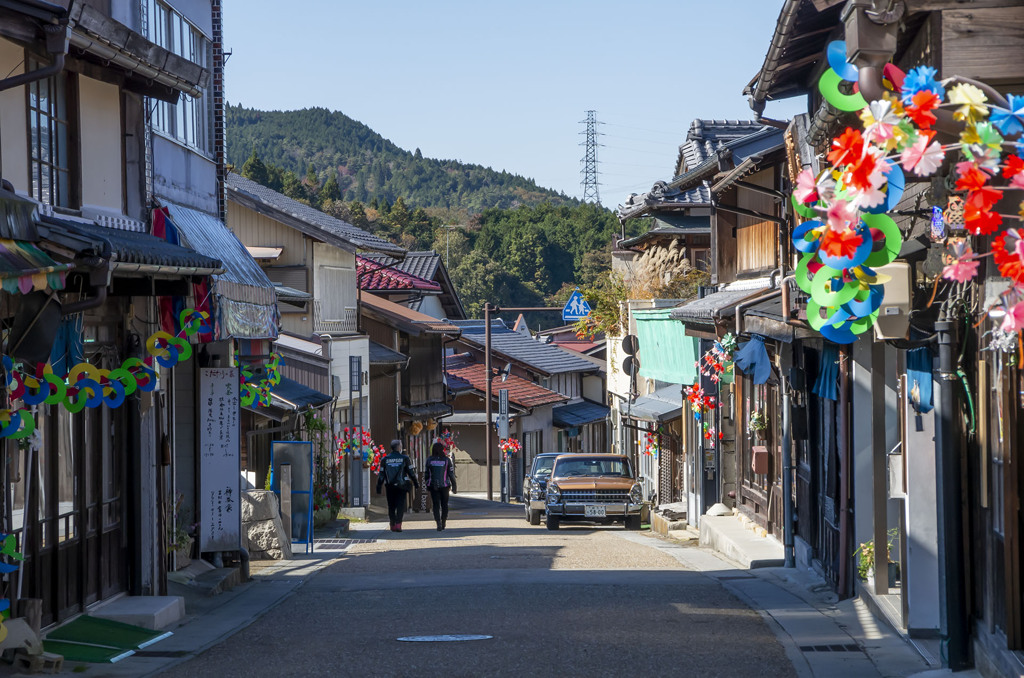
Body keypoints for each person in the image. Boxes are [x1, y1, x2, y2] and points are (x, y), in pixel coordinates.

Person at [375, 439, 418, 532]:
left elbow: (381, 474)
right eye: (401, 445)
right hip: (401, 485)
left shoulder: (385, 459)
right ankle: (398, 524)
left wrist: (379, 486)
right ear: (398, 447)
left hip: (389, 485)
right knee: (400, 505)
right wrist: (416, 483)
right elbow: (411, 472)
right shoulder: (405, 458)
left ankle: (392, 523)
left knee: (391, 505)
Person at [424, 441, 457, 531]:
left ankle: (438, 522)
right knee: (444, 505)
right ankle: (443, 521)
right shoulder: (446, 460)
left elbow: (426, 474)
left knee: (436, 505)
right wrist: (454, 486)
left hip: (433, 485)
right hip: (445, 485)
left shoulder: (429, 460)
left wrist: (427, 484)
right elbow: (451, 474)